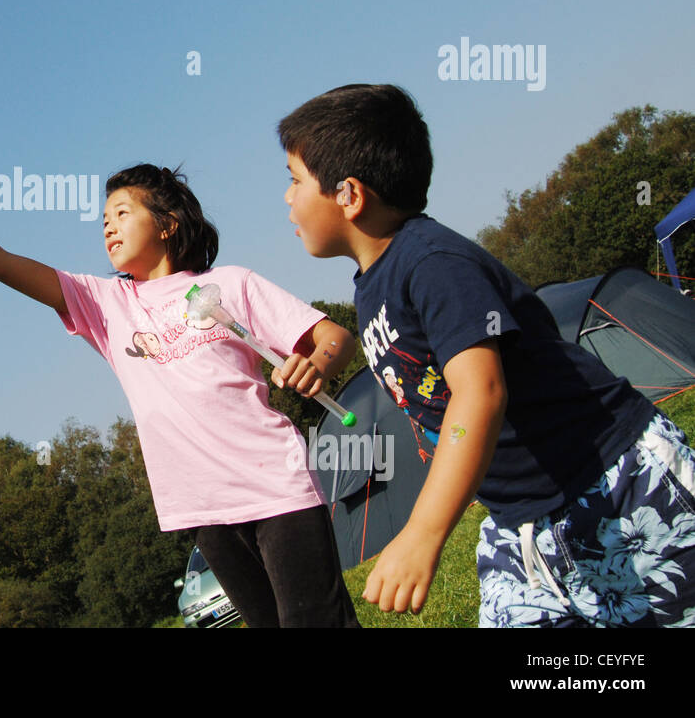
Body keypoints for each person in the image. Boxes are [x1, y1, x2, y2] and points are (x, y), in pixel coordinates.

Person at [0, 137, 360, 627]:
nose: (108, 225)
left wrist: (317, 363)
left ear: (168, 224)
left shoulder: (231, 284)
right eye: (104, 219)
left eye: (123, 212)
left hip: (276, 486)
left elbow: (333, 337)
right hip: (205, 509)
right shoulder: (106, 305)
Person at [278, 84, 695, 627]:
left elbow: (481, 392)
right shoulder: (370, 286)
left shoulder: (432, 264)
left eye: (294, 180)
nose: (287, 198)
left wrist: (424, 530)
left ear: (349, 195)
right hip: (520, 525)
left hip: (614, 484)